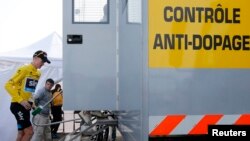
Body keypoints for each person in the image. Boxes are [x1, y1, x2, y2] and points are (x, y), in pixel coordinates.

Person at [5, 50, 50, 141]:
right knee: (29, 132)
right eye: (42, 61)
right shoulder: (24, 69)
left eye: (44, 62)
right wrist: (21, 100)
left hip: (26, 106)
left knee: (21, 133)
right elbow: (8, 85)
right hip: (18, 105)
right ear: (35, 58)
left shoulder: (38, 73)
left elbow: (29, 91)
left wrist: (33, 103)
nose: (43, 64)